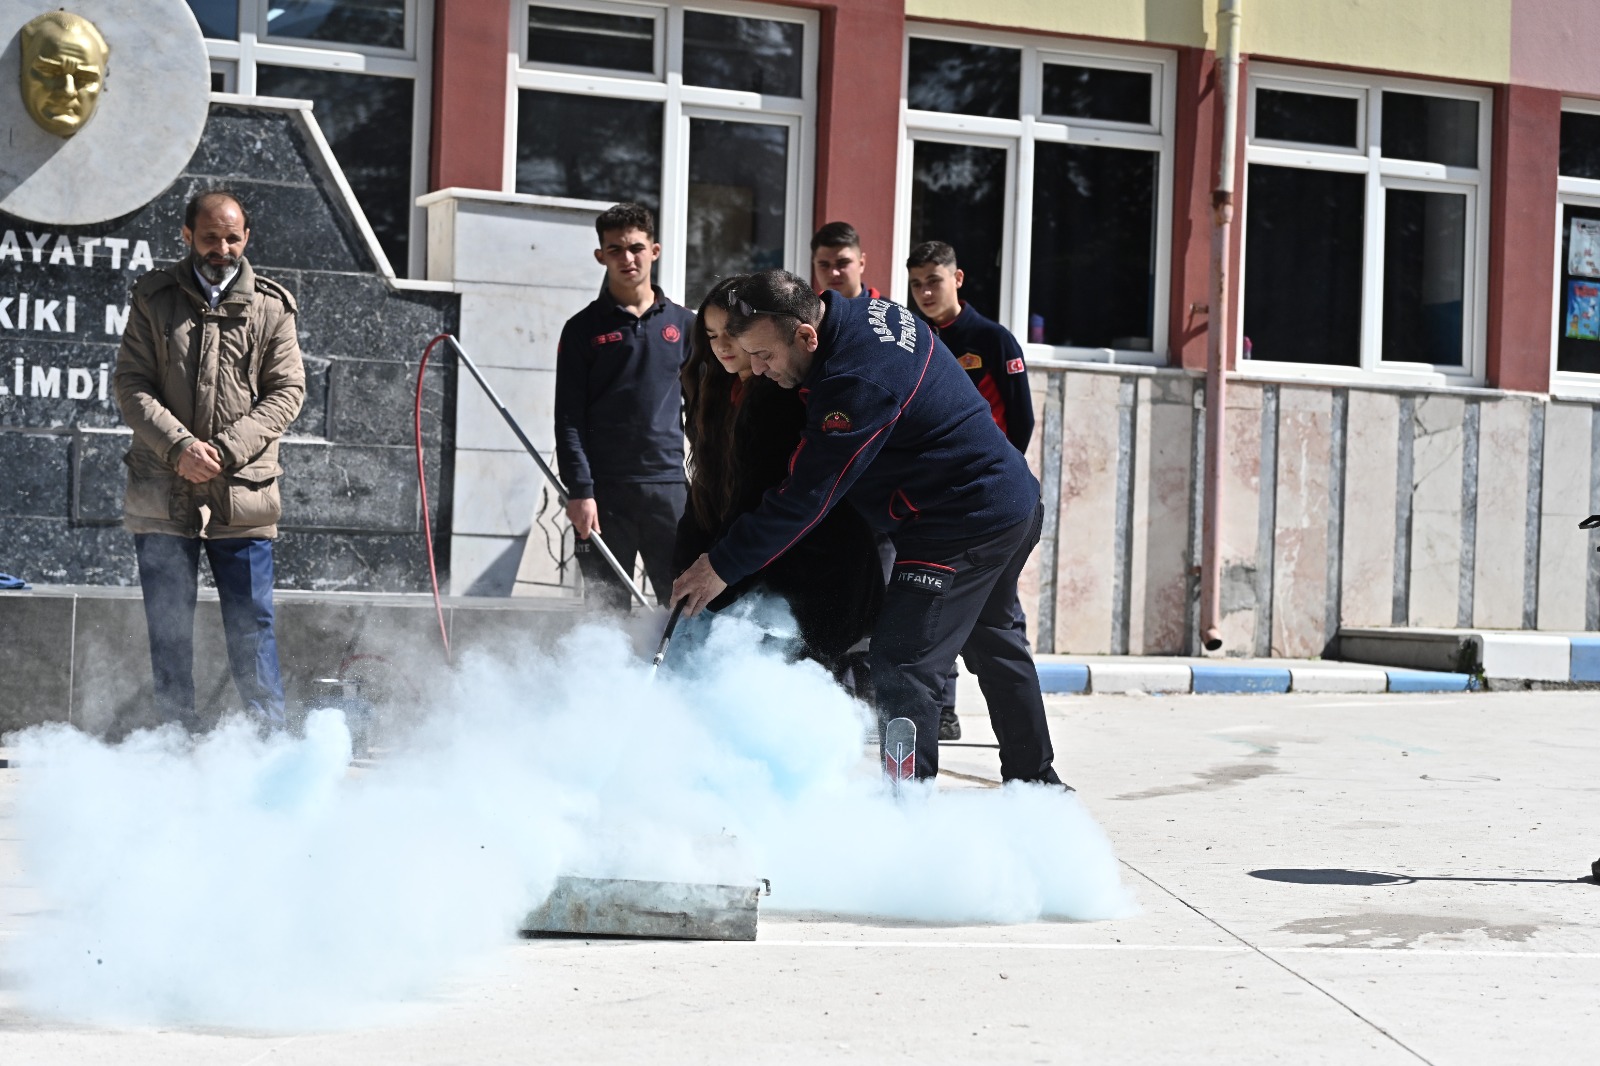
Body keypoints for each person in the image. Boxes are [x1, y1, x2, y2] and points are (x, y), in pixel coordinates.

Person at [672, 270, 1065, 787]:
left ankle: (905, 811)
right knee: (994, 643)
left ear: (806, 335)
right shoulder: (853, 313)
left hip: (960, 522)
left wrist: (719, 565)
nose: (760, 370)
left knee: (902, 662)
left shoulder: (856, 382)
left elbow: (807, 496)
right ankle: (1037, 782)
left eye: (764, 356)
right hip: (1007, 501)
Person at [114, 190, 305, 732]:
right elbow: (131, 385)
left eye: (232, 237)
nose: (222, 248)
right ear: (186, 236)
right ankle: (173, 740)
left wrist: (223, 450)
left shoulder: (272, 306)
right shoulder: (154, 297)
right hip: (162, 486)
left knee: (251, 624)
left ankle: (265, 742)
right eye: (209, 237)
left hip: (242, 490)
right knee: (168, 625)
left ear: (246, 237)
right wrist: (178, 447)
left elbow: (287, 392)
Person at [674, 276, 881, 675]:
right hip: (747, 570)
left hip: (803, 575)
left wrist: (719, 573)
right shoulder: (715, 394)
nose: (723, 346)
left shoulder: (784, 392)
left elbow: (776, 497)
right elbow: (706, 492)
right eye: (713, 334)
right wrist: (687, 566)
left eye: (734, 334)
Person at [907, 240, 1035, 741]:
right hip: (932, 501)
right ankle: (942, 710)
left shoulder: (991, 339)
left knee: (997, 621)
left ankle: (1021, 737)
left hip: (990, 500)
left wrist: (997, 474)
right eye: (916, 283)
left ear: (957, 279)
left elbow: (1020, 418)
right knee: (931, 606)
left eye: (933, 281)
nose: (924, 292)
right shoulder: (913, 337)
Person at [555, 203, 695, 609]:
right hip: (603, 493)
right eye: (615, 249)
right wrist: (579, 491)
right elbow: (568, 418)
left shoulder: (685, 325)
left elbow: (705, 414)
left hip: (668, 490)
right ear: (600, 256)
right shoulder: (582, 329)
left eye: (635, 247)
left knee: (682, 611)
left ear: (654, 249)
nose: (627, 258)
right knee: (606, 616)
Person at [810, 221, 880, 302]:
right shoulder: (805, 313)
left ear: (861, 263)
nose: (834, 273)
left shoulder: (891, 313)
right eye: (824, 265)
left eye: (842, 263)